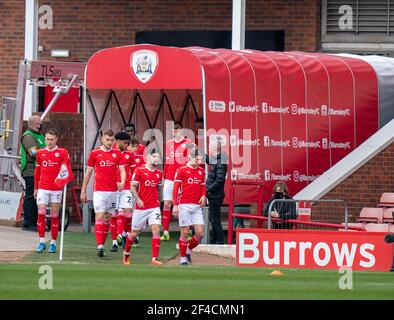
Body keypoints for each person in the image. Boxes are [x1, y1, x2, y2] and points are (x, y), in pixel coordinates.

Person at [80, 129, 126, 257]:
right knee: (99, 216)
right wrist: (83, 190)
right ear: (102, 139)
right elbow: (88, 172)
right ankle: (99, 246)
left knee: (107, 218)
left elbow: (122, 170)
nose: (109, 142)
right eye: (107, 140)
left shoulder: (117, 153)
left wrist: (123, 181)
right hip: (99, 191)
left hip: (113, 191)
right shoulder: (95, 153)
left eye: (112, 140)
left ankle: (102, 242)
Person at [122, 148, 163, 266]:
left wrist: (159, 199)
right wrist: (138, 199)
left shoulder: (159, 173)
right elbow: (132, 187)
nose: (156, 159)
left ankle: (154, 258)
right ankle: (126, 253)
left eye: (158, 157)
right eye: (154, 156)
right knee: (134, 233)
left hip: (154, 206)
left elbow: (159, 188)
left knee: (156, 229)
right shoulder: (139, 170)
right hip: (141, 207)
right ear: (147, 157)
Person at [33, 129, 71, 253]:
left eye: (52, 139)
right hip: (43, 187)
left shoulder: (62, 152)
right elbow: (37, 171)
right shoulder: (40, 153)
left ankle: (53, 243)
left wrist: (65, 176)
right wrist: (35, 188)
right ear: (45, 139)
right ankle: (42, 242)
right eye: (47, 139)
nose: (49, 142)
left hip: (56, 188)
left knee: (54, 216)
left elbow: (66, 169)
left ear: (56, 139)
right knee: (41, 214)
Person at [161, 121, 194, 241]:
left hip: (183, 179)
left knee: (184, 205)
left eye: (177, 130)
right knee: (166, 204)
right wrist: (164, 176)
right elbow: (167, 161)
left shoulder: (188, 143)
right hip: (170, 178)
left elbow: (192, 160)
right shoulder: (169, 143)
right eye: (173, 131)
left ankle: (188, 231)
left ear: (182, 130)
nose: (175, 133)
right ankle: (165, 232)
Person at [172, 149, 206, 265]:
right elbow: (175, 188)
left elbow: (202, 186)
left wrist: (203, 195)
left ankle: (188, 250)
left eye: (200, 159)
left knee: (200, 233)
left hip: (197, 206)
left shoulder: (201, 171)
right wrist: (175, 205)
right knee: (185, 232)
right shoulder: (181, 170)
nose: (199, 161)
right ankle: (183, 259)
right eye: (197, 159)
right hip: (184, 205)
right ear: (190, 158)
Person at [20, 115, 46, 231]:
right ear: (33, 123)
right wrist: (47, 153)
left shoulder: (39, 136)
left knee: (38, 198)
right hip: (31, 171)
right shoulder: (28, 136)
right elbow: (34, 152)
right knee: (31, 196)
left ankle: (36, 223)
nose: (40, 125)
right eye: (38, 123)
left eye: (40, 123)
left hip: (40, 171)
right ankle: (28, 223)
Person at [113, 132, 134, 251]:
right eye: (124, 143)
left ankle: (123, 234)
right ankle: (116, 239)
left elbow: (133, 170)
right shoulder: (112, 154)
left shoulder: (129, 155)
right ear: (118, 141)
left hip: (126, 187)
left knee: (128, 213)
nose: (126, 145)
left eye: (128, 143)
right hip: (113, 188)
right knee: (116, 213)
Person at [206, 140, 227, 244]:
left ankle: (219, 241)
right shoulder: (217, 160)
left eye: (210, 147)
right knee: (213, 218)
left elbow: (219, 180)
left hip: (215, 195)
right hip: (213, 194)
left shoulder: (220, 161)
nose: (208, 148)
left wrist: (208, 189)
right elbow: (209, 161)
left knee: (215, 219)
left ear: (215, 148)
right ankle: (215, 240)